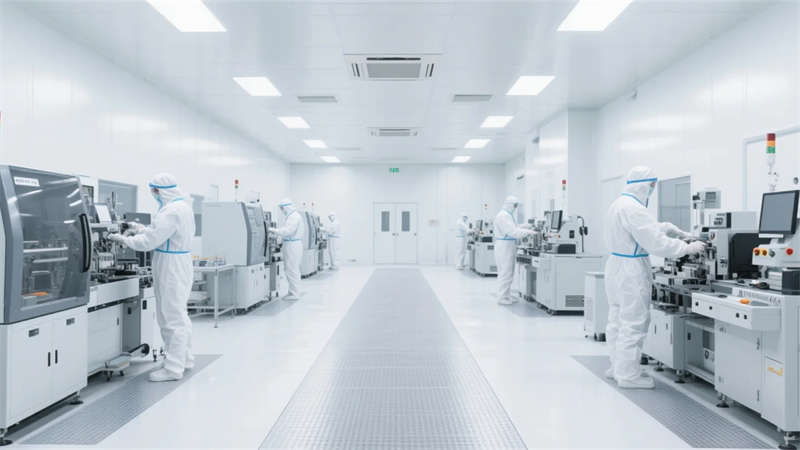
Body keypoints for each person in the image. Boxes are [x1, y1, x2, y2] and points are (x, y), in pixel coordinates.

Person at [604, 166, 706, 389]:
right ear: (644, 185)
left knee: (617, 320)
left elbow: (638, 231)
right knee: (634, 322)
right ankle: (628, 375)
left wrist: (665, 227)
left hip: (615, 267)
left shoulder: (619, 204)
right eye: (651, 186)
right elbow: (655, 243)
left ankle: (617, 367)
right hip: (631, 270)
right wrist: (687, 247)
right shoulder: (634, 208)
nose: (652, 190)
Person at [108, 173, 195, 382]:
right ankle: (184, 359)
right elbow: (161, 233)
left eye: (154, 192)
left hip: (170, 266)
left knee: (171, 318)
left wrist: (123, 239)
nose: (153, 195)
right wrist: (139, 228)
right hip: (179, 262)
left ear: (159, 191)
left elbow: (149, 242)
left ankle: (173, 368)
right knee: (178, 315)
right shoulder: (182, 207)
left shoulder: (170, 211)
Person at [494, 196, 535, 305]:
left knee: (506, 272)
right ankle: (502, 297)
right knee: (506, 273)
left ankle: (506, 295)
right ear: (509, 204)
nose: (516, 208)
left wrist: (525, 226)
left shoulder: (506, 215)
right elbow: (513, 232)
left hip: (506, 245)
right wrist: (530, 232)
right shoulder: (503, 216)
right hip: (505, 246)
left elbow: (514, 227)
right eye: (515, 205)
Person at [269, 198, 304, 300]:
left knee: (292, 269)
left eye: (282, 208)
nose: (282, 211)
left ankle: (294, 293)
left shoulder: (293, 217)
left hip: (292, 245)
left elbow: (288, 231)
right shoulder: (294, 216)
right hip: (292, 244)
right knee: (291, 269)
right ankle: (292, 291)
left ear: (287, 207)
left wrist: (273, 230)